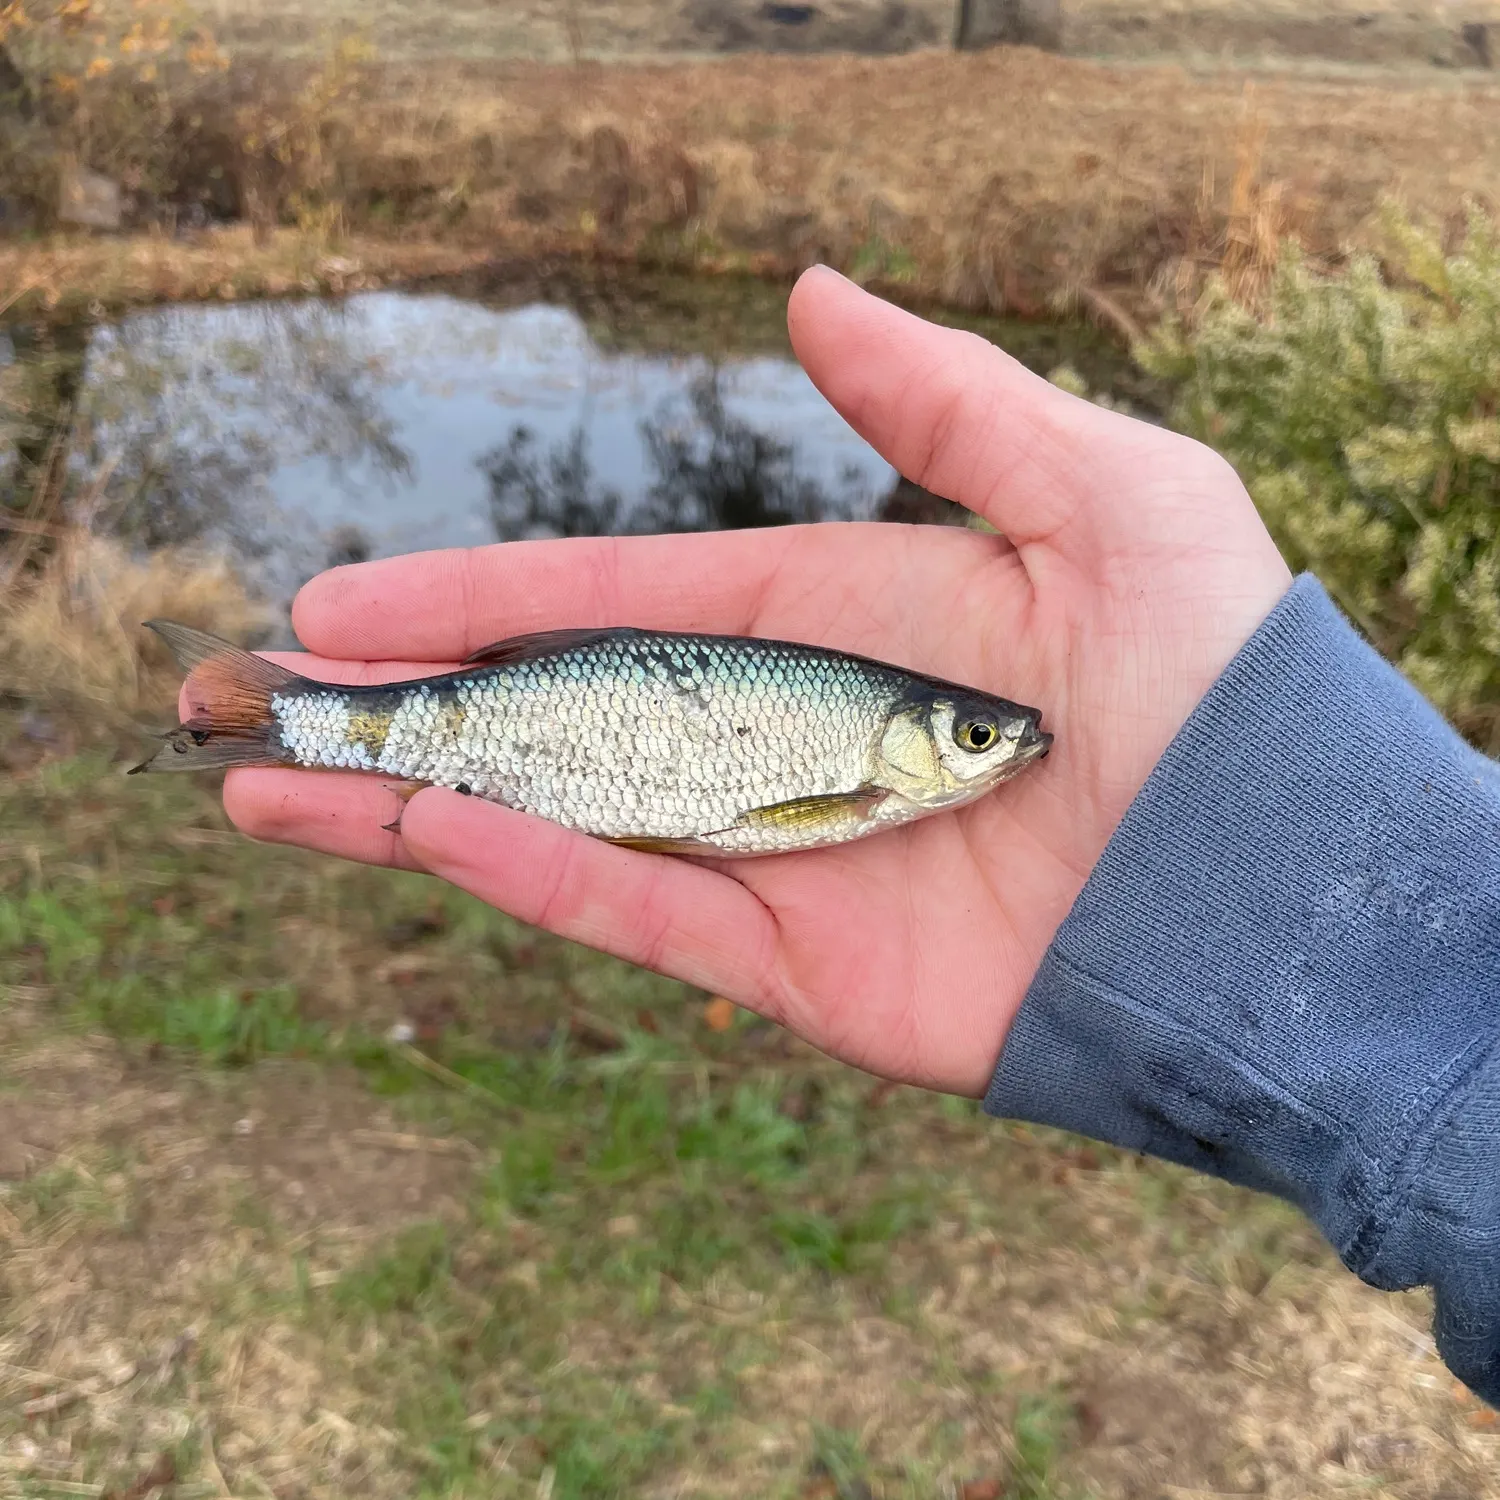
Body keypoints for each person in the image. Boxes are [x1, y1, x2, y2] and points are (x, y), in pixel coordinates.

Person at [219, 267, 1500, 1407]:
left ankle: (291, 721)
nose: (998, 754)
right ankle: (296, 722)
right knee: (363, 730)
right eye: (976, 742)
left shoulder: (882, 763)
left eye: (979, 743)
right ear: (912, 743)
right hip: (548, 720)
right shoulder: (865, 773)